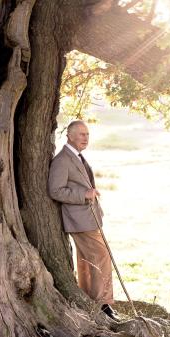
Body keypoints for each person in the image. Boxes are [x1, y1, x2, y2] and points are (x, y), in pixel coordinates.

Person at [48, 120, 120, 321]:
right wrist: (84, 194)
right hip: (79, 220)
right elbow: (55, 190)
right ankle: (103, 304)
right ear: (69, 136)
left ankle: (90, 299)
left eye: (87, 134)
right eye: (81, 134)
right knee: (101, 256)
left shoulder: (78, 157)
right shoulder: (63, 160)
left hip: (89, 217)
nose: (85, 138)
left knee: (87, 261)